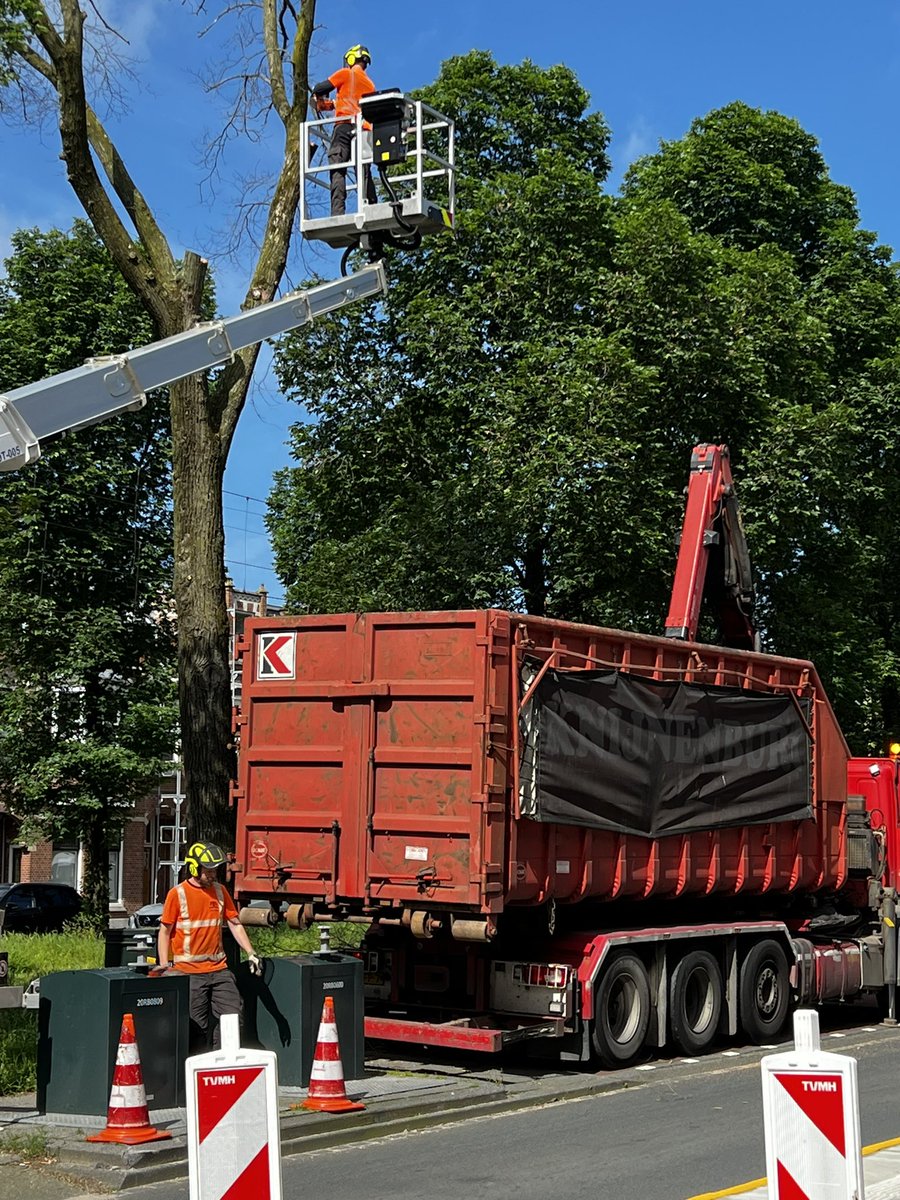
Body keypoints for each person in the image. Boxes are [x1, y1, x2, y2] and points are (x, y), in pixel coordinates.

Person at [155, 840, 262, 1053]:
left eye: (215, 870)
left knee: (232, 1019)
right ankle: (197, 1067)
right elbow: (165, 931)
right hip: (189, 973)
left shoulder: (220, 891)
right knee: (196, 1026)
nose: (212, 875)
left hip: (219, 970)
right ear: (194, 868)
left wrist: (251, 953)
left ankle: (222, 1061)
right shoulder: (178, 894)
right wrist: (165, 965)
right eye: (208, 870)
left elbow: (234, 923)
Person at [311, 44, 378, 216]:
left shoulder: (345, 74)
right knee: (363, 171)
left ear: (350, 58)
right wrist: (332, 103)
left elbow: (320, 88)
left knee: (338, 167)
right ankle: (371, 208)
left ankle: (338, 211)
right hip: (363, 129)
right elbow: (354, 100)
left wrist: (317, 97)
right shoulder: (370, 84)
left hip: (344, 126)